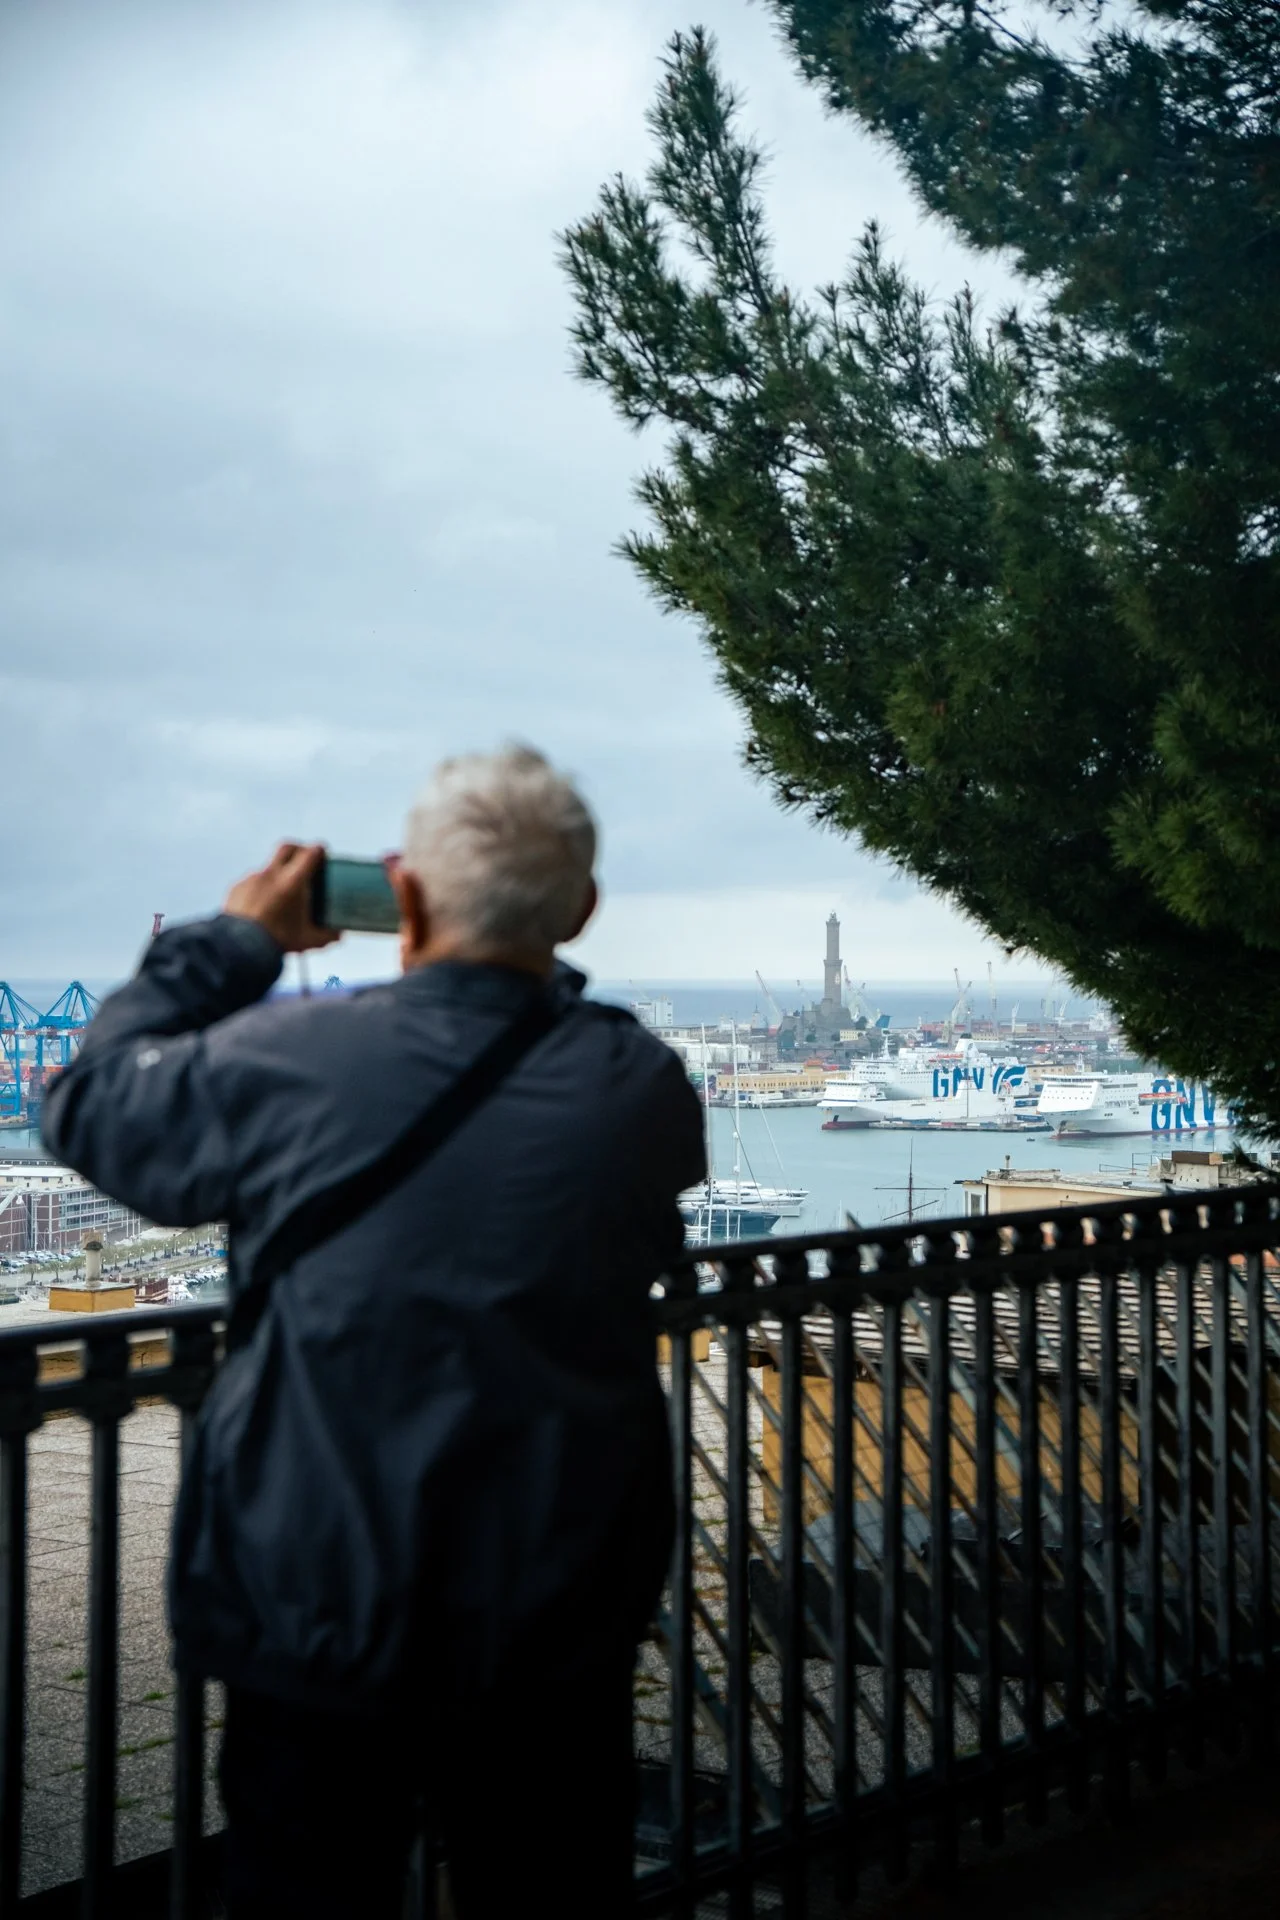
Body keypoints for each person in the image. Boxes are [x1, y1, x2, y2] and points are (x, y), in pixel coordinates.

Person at [42, 746, 706, 1919]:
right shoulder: (639, 1085)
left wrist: (234, 943)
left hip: (311, 1598)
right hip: (557, 1605)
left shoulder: (290, 1060)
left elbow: (86, 1107)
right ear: (582, 908)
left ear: (400, 894)